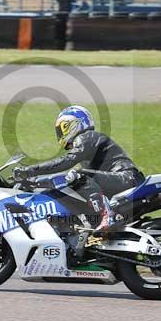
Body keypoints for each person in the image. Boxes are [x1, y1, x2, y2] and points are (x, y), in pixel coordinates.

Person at [13, 106, 145, 255]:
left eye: (62, 128)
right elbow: (62, 176)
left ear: (73, 124)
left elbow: (66, 161)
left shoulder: (88, 137)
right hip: (121, 180)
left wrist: (31, 170)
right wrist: (37, 182)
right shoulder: (89, 143)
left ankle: (108, 216)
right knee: (72, 183)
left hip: (126, 177)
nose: (60, 134)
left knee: (79, 175)